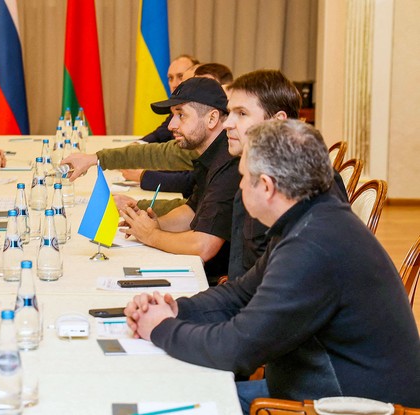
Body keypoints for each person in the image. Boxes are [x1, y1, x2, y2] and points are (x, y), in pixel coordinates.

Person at [125, 119, 420, 412]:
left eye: (242, 177)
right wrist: (177, 310)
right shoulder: (310, 218)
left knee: (173, 401)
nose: (239, 186)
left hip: (345, 406)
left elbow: (238, 348)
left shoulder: (312, 246)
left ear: (266, 186)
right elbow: (240, 294)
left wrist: (161, 328)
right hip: (315, 387)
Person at [121, 77, 240, 282]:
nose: (171, 125)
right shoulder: (211, 153)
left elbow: (204, 246)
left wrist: (152, 235)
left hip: (216, 281)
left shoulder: (229, 161)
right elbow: (192, 211)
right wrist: (152, 224)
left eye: (181, 115)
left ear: (212, 119)